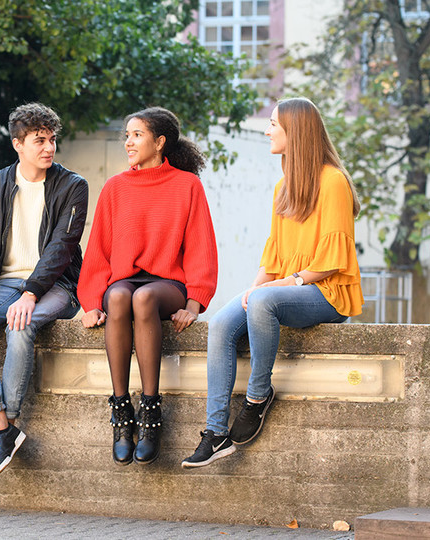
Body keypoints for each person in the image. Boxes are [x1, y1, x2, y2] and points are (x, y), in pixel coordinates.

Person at [181, 97, 363, 468]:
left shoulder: (333, 182)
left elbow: (332, 262)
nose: (267, 131)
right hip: (289, 287)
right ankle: (215, 433)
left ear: (295, 133)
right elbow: (274, 256)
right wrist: (253, 289)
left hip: (328, 293)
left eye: (273, 125)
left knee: (264, 302)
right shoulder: (284, 186)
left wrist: (282, 286)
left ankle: (258, 397)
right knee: (221, 321)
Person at [77, 107, 218, 466]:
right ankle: (122, 412)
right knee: (122, 294)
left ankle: (151, 411)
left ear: (160, 142)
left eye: (136, 135)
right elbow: (98, 252)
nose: (128, 142)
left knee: (143, 296)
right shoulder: (115, 187)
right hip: (124, 281)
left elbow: (202, 249)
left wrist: (195, 303)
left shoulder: (187, 185)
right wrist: (91, 301)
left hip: (166, 283)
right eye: (127, 135)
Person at [0, 102, 88, 481]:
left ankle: (5, 429)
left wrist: (31, 294)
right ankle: (1, 427)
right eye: (39, 140)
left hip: (57, 284)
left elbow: (62, 247)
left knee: (20, 326)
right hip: (5, 283)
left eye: (52, 140)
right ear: (18, 144)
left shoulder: (73, 186)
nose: (49, 148)